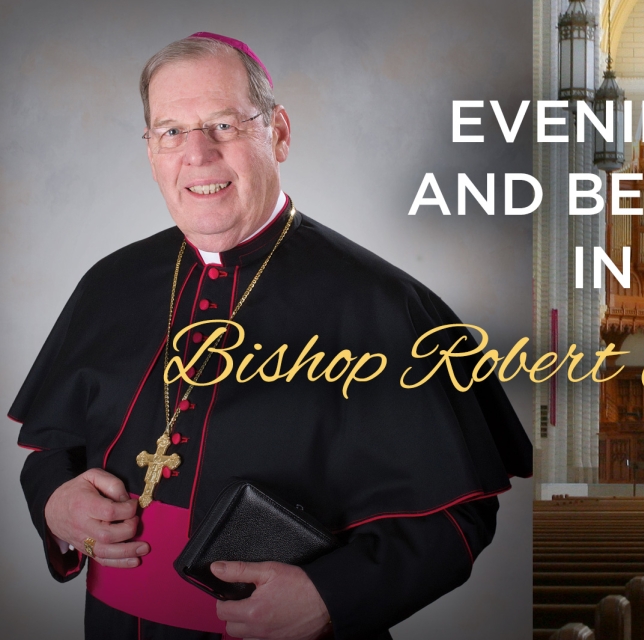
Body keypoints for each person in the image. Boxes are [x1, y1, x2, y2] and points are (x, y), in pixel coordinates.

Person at [10, 32, 532, 640]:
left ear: (279, 133)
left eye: (224, 125)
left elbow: (459, 513)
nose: (197, 153)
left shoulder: (384, 304)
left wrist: (332, 596)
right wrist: (54, 503)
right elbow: (53, 448)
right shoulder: (111, 283)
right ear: (150, 149)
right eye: (171, 131)